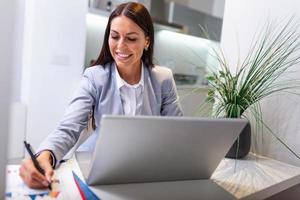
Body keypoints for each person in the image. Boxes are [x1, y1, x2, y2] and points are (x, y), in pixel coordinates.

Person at [19, 2, 183, 189]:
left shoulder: (162, 78)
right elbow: (68, 128)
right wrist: (44, 156)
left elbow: (177, 132)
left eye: (131, 38)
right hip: (96, 169)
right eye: (114, 36)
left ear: (147, 41)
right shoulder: (95, 77)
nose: (120, 46)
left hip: (144, 171)